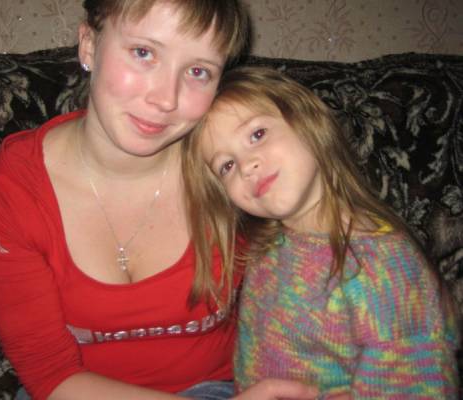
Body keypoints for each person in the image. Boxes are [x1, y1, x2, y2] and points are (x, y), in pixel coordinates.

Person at [0, 1, 322, 400]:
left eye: (198, 71)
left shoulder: (230, 166)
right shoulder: (9, 192)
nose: (166, 99)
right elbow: (49, 374)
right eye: (143, 52)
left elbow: (329, 263)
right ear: (89, 45)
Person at [182, 66, 460, 398]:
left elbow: (421, 385)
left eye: (257, 135)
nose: (247, 166)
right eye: (226, 165)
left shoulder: (384, 271)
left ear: (309, 123)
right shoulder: (269, 242)